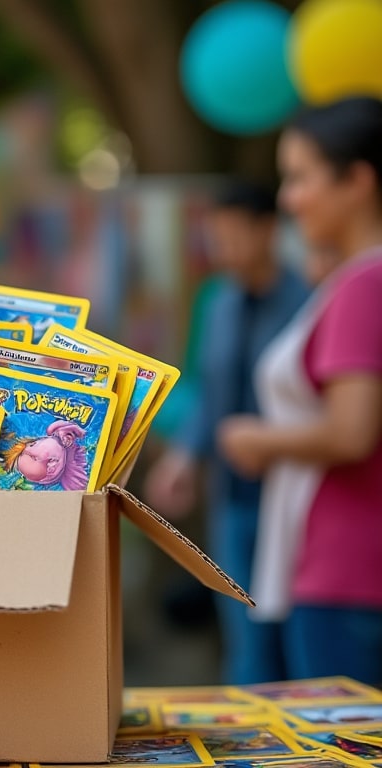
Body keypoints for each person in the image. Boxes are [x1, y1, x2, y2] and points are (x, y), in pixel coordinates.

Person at [218, 97, 382, 684]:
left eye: (301, 177)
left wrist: (261, 440)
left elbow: (352, 431)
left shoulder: (365, 283)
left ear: (358, 180)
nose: (287, 199)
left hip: (347, 570)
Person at [145, 180, 309, 684]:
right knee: (243, 633)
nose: (225, 249)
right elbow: (207, 391)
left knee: (297, 632)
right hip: (231, 494)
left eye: (235, 235)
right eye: (216, 237)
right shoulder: (216, 304)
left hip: (296, 494)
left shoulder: (308, 300)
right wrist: (183, 457)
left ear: (268, 231)